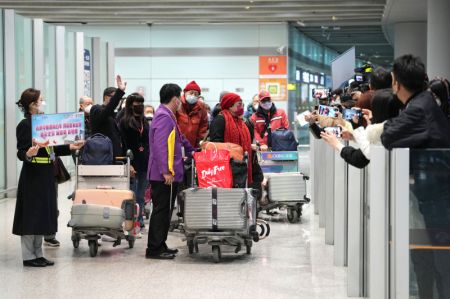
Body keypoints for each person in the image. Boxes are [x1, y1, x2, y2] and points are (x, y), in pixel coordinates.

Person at [382, 55, 450, 299]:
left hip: (438, 197)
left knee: (443, 262)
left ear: (397, 83)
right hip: (435, 193)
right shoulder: (425, 101)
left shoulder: (418, 108)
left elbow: (389, 136)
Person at [14, 88, 84, 267]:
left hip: (46, 172)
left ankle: (38, 253)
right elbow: (21, 152)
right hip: (33, 174)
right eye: (40, 99)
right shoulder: (25, 125)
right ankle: (29, 256)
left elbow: (53, 148)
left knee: (42, 213)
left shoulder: (43, 122)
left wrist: (71, 147)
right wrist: (28, 153)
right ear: (32, 104)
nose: (43, 102)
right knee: (31, 214)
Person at [145, 83, 194, 260]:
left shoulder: (168, 115)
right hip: (163, 175)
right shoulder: (163, 117)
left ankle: (161, 243)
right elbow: (159, 146)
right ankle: (154, 249)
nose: (181, 101)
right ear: (174, 99)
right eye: (179, 98)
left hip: (168, 173)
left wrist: (193, 151)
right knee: (161, 211)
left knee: (165, 211)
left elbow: (179, 139)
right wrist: (166, 171)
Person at [381, 55, 450, 149]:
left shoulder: (417, 109)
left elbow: (388, 137)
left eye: (392, 80)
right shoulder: (425, 99)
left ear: (397, 85)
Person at [119, 93, 149, 235]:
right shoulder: (123, 121)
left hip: (144, 162)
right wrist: (127, 163)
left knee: (141, 195)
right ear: (130, 105)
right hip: (131, 163)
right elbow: (123, 144)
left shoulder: (144, 120)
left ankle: (140, 221)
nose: (140, 106)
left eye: (141, 103)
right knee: (131, 195)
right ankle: (129, 222)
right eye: (137, 103)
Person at [210, 92, 254, 185]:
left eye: (242, 104)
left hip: (240, 166)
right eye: (239, 104)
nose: (241, 107)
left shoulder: (240, 122)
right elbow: (215, 145)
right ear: (230, 106)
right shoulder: (220, 120)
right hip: (226, 166)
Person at [89, 76, 127, 158]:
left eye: (119, 99)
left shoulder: (113, 114)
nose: (118, 100)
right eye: (114, 97)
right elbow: (107, 110)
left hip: (114, 156)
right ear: (106, 97)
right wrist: (120, 92)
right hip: (102, 156)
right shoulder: (96, 109)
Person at [176, 81, 209, 148]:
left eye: (196, 94)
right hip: (177, 144)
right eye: (191, 93)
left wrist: (199, 142)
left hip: (193, 145)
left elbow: (203, 126)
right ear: (185, 93)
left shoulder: (201, 107)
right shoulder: (177, 104)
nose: (193, 95)